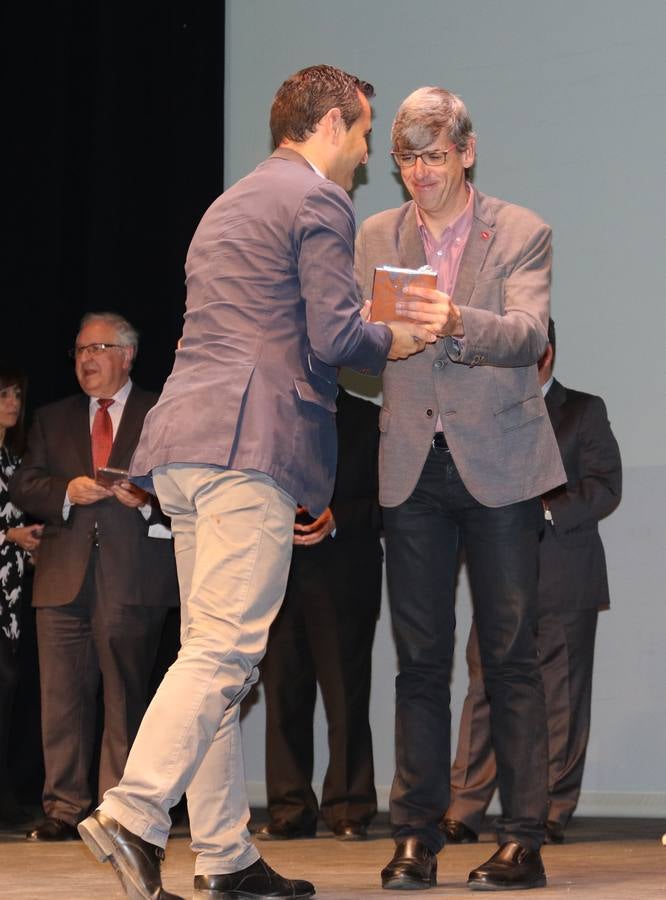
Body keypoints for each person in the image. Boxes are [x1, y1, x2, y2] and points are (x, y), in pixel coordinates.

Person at [76, 65, 439, 900]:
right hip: (249, 444)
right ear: (328, 124)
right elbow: (335, 332)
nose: (361, 156)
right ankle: (133, 815)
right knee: (227, 648)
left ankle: (226, 855)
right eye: (359, 135)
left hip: (186, 446)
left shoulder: (229, 203)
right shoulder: (316, 200)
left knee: (217, 654)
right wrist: (398, 340)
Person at [354, 86, 566, 891]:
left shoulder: (520, 229)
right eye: (406, 157)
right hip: (412, 465)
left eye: (434, 155)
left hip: (502, 468)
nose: (419, 172)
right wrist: (379, 334)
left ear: (466, 152)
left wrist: (451, 321)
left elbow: (527, 336)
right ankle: (414, 835)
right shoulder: (376, 233)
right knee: (419, 662)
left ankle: (521, 838)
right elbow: (359, 348)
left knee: (509, 658)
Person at [443, 319, 622, 845]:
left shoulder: (584, 409)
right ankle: (465, 807)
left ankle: (549, 807)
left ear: (545, 354)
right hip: (501, 576)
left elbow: (605, 487)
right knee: (483, 694)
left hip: (566, 578)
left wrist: (544, 508)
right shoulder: (488, 412)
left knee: (561, 697)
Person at [9, 312, 179, 842]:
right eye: (80, 350)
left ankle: (120, 811)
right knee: (61, 698)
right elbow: (24, 484)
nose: (86, 359)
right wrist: (66, 491)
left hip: (134, 574)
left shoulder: (160, 411)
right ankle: (63, 808)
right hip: (62, 576)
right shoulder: (52, 417)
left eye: (99, 348)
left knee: (125, 696)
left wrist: (149, 496)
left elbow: (187, 482)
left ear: (127, 355)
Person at [256, 385, 382, 843]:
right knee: (283, 694)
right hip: (279, 574)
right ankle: (290, 806)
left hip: (345, 574)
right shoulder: (272, 415)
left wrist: (338, 517)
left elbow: (393, 498)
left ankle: (349, 806)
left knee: (346, 697)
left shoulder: (369, 420)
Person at [0, 366, 43, 825]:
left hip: (10, 594)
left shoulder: (13, 462)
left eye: (15, 394)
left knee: (9, 691)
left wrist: (29, 543)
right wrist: (10, 534)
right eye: (3, 394)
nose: (12, 403)